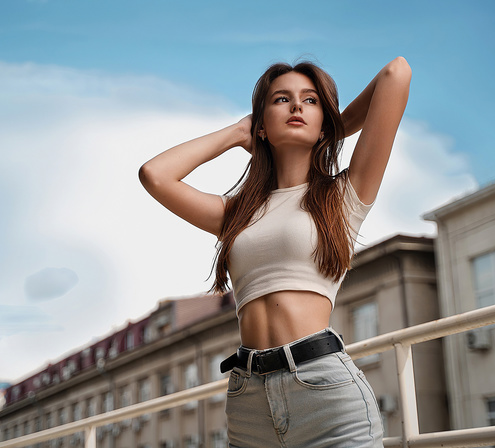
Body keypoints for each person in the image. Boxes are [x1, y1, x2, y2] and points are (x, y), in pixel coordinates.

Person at [139, 56, 411, 447]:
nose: (297, 106)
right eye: (282, 99)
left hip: (324, 389)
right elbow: (155, 175)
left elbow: (396, 73)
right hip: (247, 399)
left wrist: (332, 131)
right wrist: (236, 132)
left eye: (311, 101)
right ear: (261, 125)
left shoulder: (342, 197)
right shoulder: (234, 213)